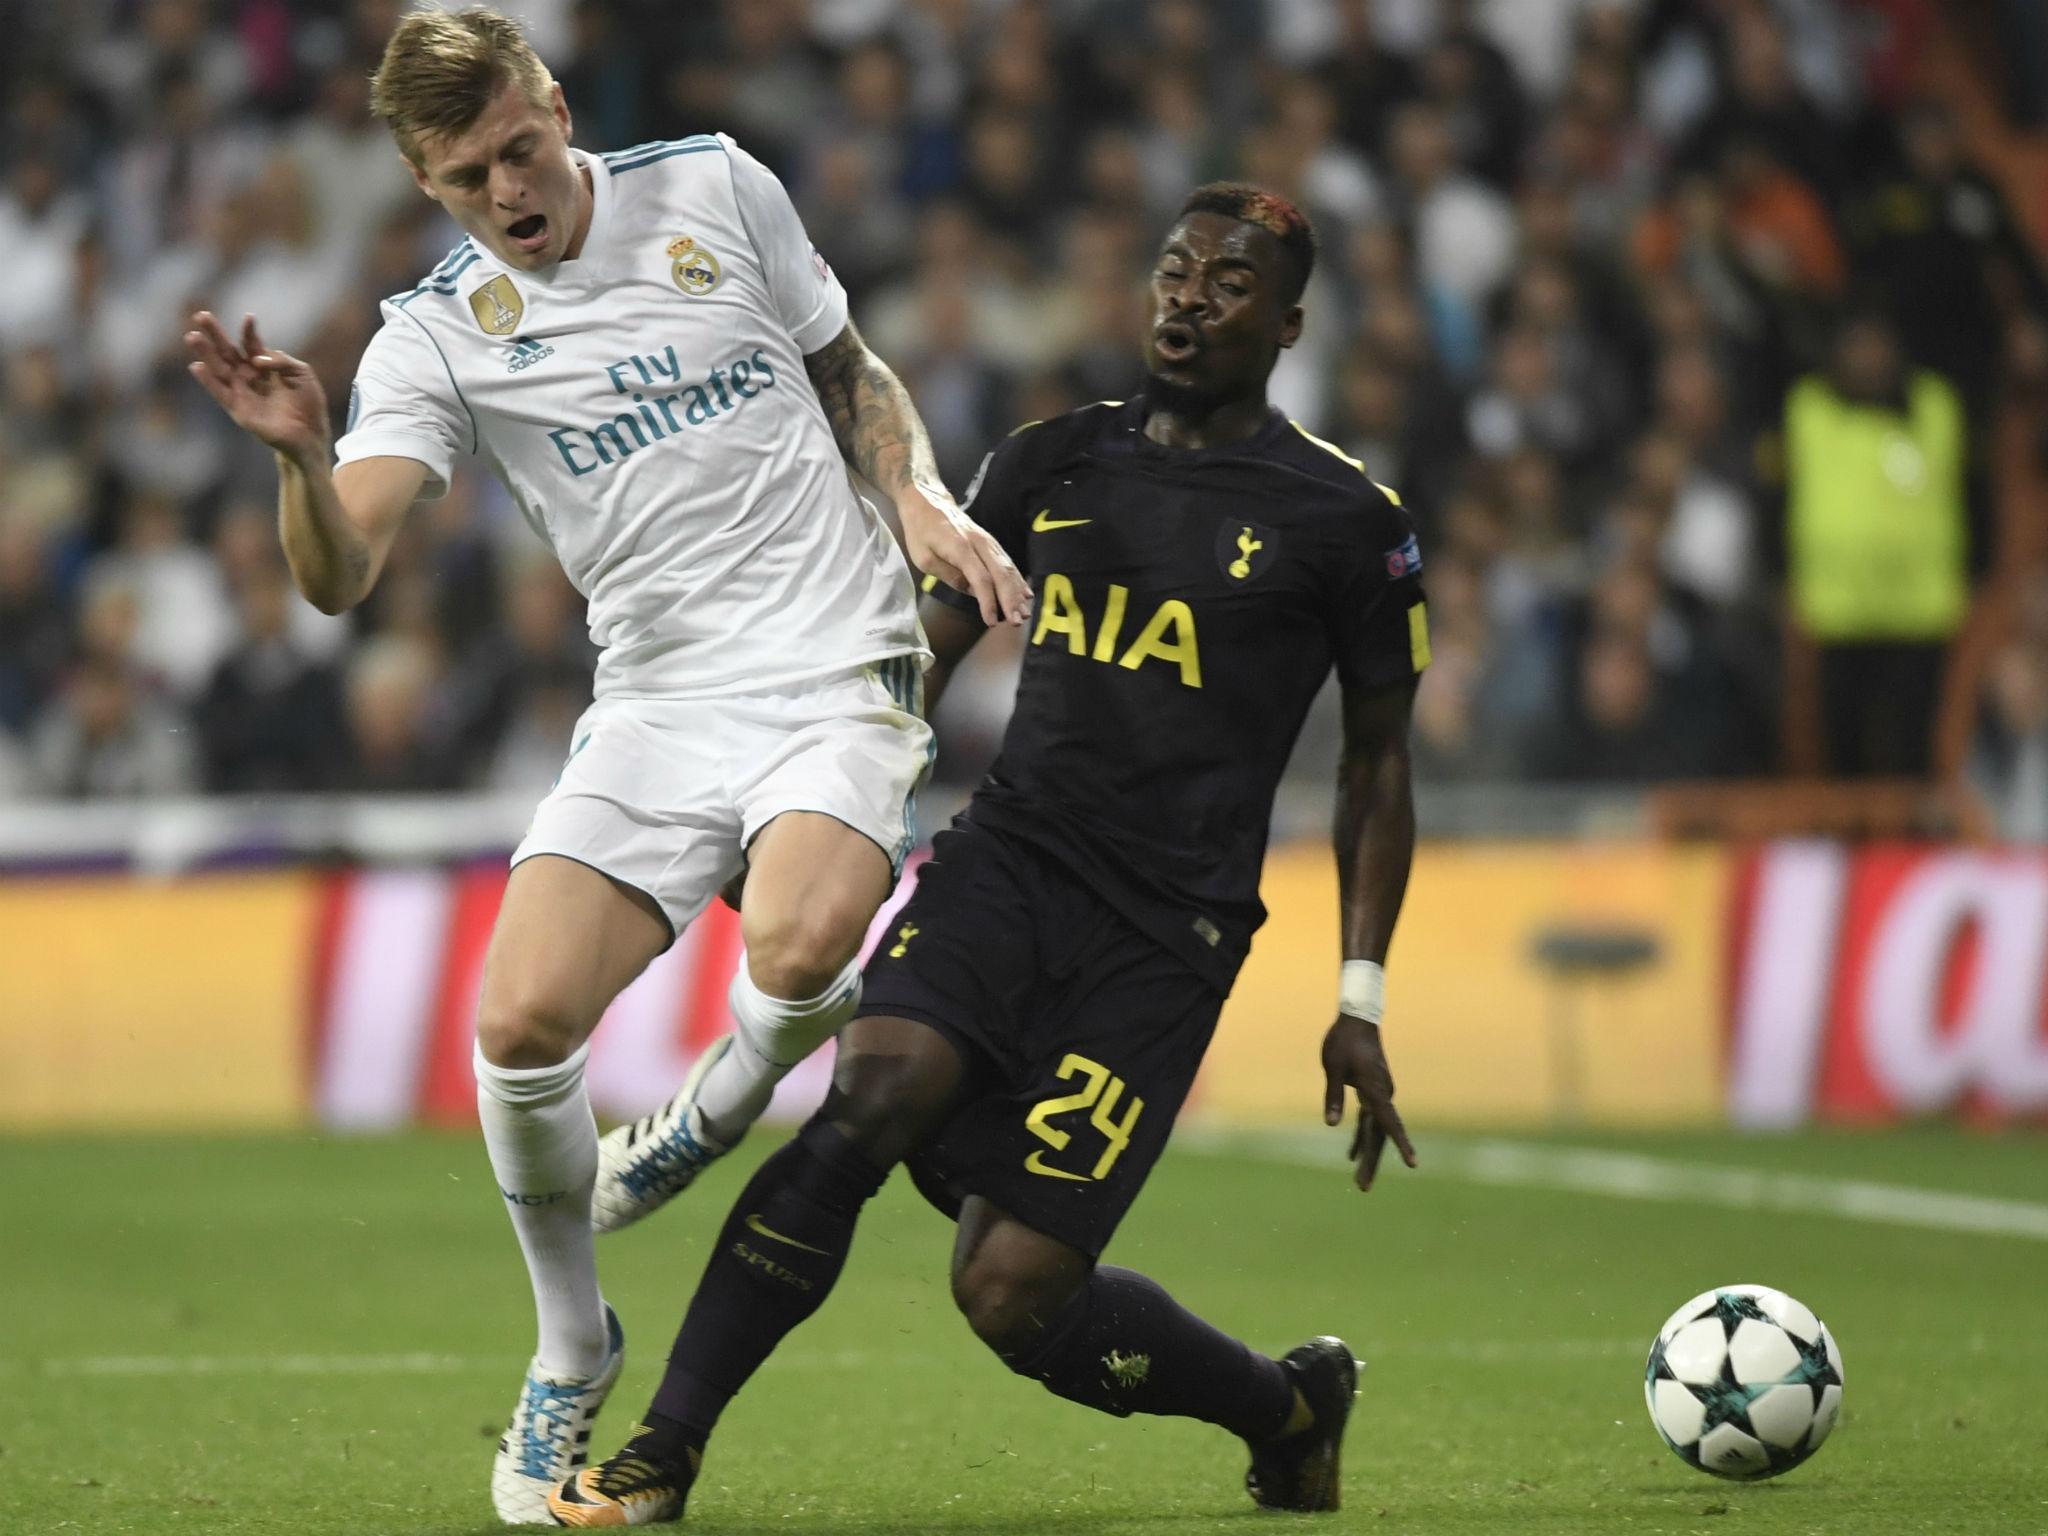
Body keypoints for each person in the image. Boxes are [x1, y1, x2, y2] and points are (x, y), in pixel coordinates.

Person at [180, 8, 1027, 1523]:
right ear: (424, 182)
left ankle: (716, 1102)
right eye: (465, 177)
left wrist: (924, 503)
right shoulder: (432, 334)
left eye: (520, 147)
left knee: (805, 933)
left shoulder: (712, 185)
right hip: (655, 702)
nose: (509, 191)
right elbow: (338, 576)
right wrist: (305, 467)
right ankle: (575, 1340)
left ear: (556, 107)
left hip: (837, 660)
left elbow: (850, 370)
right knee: (515, 1023)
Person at [557, 183, 1426, 1526]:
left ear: (1290, 321)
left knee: (1011, 1293)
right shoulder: (1048, 464)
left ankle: (1291, 1407)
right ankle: (662, 1453)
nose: (1189, 297)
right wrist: (810, 812)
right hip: (1008, 865)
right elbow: (907, 667)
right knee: (866, 1104)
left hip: (1167, 941)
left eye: (1231, 282)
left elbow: (1378, 766)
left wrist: (1358, 995)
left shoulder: (1346, 524)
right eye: (1176, 270)